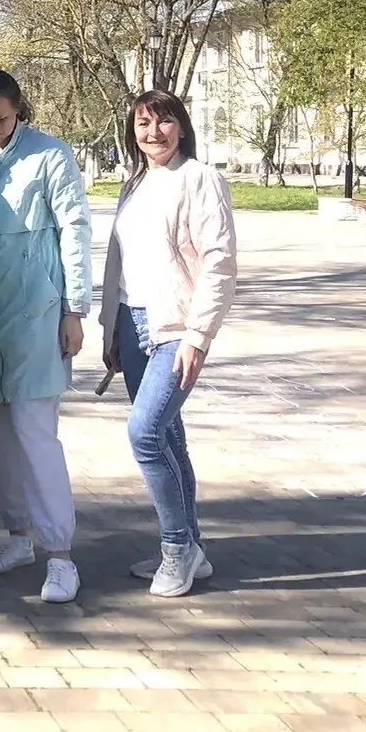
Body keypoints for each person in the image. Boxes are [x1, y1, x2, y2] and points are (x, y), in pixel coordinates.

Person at [0, 69, 94, 605]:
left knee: (36, 435)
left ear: (18, 109)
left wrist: (75, 308)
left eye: (0, 118)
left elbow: (75, 229)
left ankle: (60, 555)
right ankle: (17, 535)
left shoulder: (50, 155)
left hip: (37, 311)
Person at [101, 88, 238, 597]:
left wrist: (198, 337)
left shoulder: (200, 179)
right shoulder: (134, 183)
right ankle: (192, 547)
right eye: (142, 123)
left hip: (175, 329)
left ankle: (177, 548)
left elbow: (220, 263)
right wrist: (111, 327)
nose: (152, 132)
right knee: (169, 436)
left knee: (145, 434)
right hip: (132, 325)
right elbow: (119, 263)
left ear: (181, 127)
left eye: (163, 122)